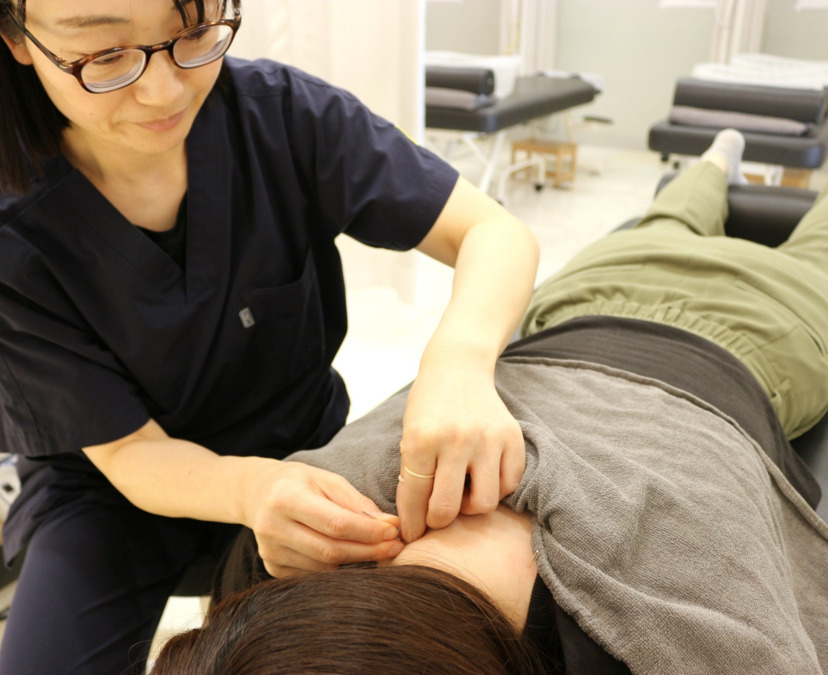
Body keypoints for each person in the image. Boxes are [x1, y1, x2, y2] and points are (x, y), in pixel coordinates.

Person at [0, 1, 540, 672]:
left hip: (302, 444)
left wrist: (458, 364)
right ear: (10, 30)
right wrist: (252, 491)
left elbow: (493, 233)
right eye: (105, 57)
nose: (163, 89)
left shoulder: (283, 116)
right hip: (112, 494)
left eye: (193, 33)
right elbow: (130, 456)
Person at [150, 130, 828, 674]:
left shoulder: (283, 541)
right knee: (689, 221)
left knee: (706, 220)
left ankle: (717, 153)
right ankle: (715, 158)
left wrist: (458, 361)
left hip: (667, 317)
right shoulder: (275, 556)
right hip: (664, 316)